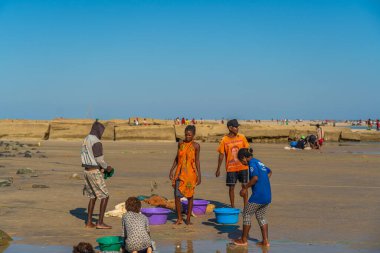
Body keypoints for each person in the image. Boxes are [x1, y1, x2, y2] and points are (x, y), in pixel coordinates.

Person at [233, 148, 272, 247]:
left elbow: (255, 178)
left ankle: (243, 240)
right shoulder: (259, 162)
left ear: (244, 158)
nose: (243, 163)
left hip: (258, 196)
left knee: (246, 213)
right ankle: (265, 241)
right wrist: (264, 181)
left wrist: (245, 188)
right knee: (261, 216)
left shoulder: (251, 163)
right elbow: (270, 172)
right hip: (267, 195)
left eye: (242, 161)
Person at [81, 120, 113, 229]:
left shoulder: (86, 139)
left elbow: (89, 157)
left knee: (93, 196)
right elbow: (99, 159)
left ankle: (89, 222)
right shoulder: (96, 141)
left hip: (86, 171)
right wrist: (107, 168)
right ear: (98, 131)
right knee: (105, 196)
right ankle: (100, 222)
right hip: (94, 172)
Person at [169, 125, 201, 225]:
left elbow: (197, 161)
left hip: (190, 174)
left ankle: (188, 219)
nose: (187, 137)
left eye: (189, 135)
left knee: (190, 196)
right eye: (186, 135)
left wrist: (199, 175)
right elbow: (177, 157)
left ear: (193, 135)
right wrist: (171, 169)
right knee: (177, 196)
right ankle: (179, 218)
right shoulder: (180, 143)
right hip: (179, 173)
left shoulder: (196, 146)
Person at [215, 119, 250, 208]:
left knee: (244, 186)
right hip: (231, 168)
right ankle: (232, 206)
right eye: (235, 127)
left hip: (243, 167)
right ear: (230, 128)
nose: (237, 128)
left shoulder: (242, 137)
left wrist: (249, 163)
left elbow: (247, 151)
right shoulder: (224, 140)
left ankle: (246, 207)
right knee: (231, 188)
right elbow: (221, 155)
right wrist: (218, 169)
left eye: (238, 126)